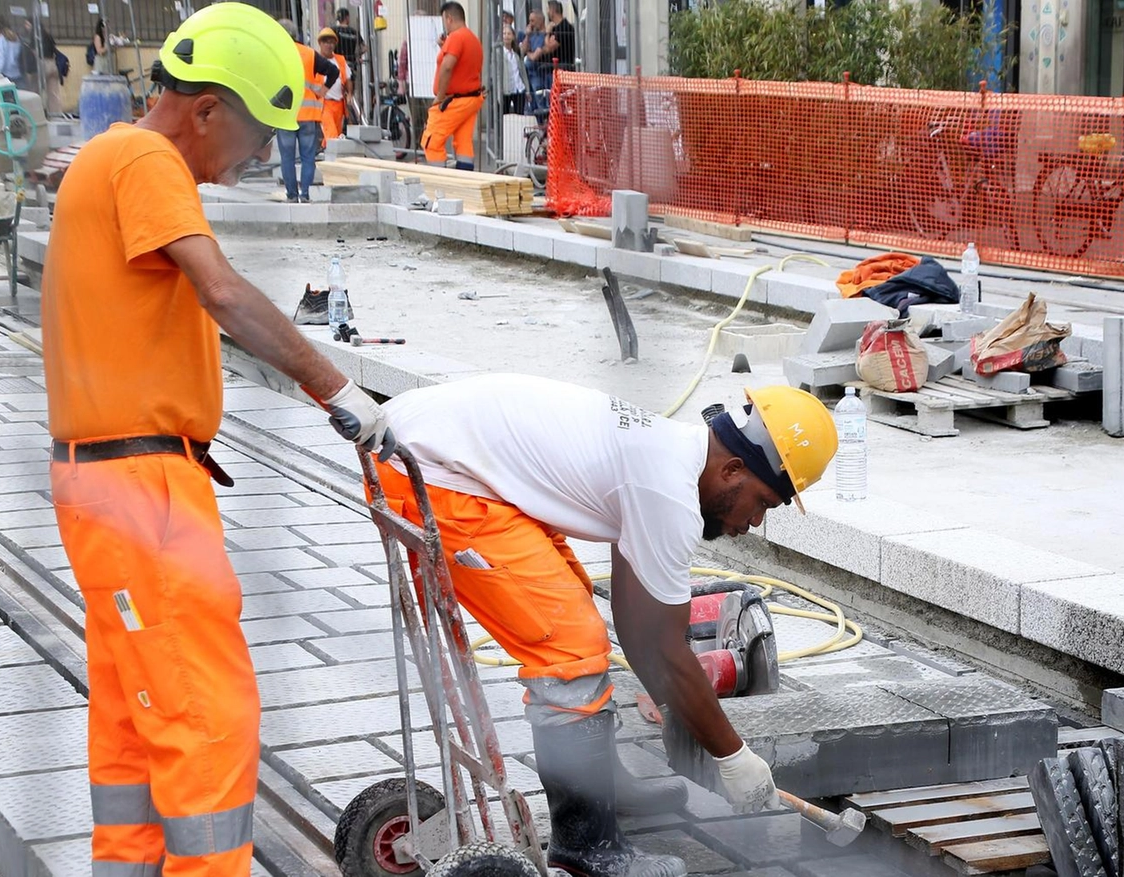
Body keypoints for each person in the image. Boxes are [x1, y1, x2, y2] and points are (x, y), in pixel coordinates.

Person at [42, 5, 394, 876]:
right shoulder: (144, 157)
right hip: (143, 489)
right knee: (207, 719)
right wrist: (341, 391)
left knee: (134, 727)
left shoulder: (109, 160)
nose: (260, 154)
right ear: (204, 109)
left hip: (105, 486)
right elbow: (226, 295)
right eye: (256, 131)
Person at [375, 375, 838, 877]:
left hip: (433, 447)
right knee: (569, 650)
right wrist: (733, 756)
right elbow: (663, 647)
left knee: (579, 619)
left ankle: (598, 786)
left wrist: (676, 707)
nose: (754, 523)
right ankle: (587, 846)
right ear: (732, 469)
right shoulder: (666, 494)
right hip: (431, 471)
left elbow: (638, 628)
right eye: (764, 503)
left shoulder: (667, 457)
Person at [276, 18, 337, 202]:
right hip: (308, 115)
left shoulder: (276, 56)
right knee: (307, 158)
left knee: (287, 157)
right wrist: (323, 91)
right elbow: (333, 71)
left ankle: (292, 196)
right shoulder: (309, 54)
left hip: (285, 115)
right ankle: (306, 194)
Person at [421, 1, 482, 170]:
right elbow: (464, 66)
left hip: (453, 100)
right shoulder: (473, 39)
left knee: (432, 141)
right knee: (463, 143)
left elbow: (448, 66)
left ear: (449, 18)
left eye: (444, 21)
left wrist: (439, 97)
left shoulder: (456, 37)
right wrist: (444, 48)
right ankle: (465, 181)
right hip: (471, 99)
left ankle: (438, 184)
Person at [317, 27, 350, 140]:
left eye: (331, 42)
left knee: (336, 135)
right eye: (326, 42)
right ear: (320, 43)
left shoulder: (340, 60)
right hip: (324, 104)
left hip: (339, 105)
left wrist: (349, 94)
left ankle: (329, 154)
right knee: (332, 136)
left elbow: (348, 78)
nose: (329, 45)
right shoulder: (316, 60)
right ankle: (331, 156)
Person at [498, 23, 525, 115]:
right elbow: (497, 74)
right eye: (504, 34)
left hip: (519, 88)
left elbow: (523, 72)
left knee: (519, 116)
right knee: (505, 117)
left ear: (513, 36)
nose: (506, 36)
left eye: (509, 34)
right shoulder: (499, 53)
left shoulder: (517, 52)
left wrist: (527, 89)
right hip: (506, 90)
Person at [541, 0, 574, 74]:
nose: (547, 12)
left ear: (552, 11)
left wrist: (547, 33)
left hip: (563, 68)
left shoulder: (564, 27)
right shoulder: (554, 27)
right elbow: (546, 47)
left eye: (548, 9)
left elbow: (549, 47)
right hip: (554, 67)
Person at [522, 8, 547, 103]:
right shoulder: (532, 35)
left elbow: (534, 57)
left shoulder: (544, 35)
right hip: (529, 74)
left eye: (532, 20)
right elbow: (523, 50)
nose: (530, 23)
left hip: (538, 73)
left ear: (540, 20)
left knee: (540, 98)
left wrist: (528, 53)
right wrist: (527, 35)